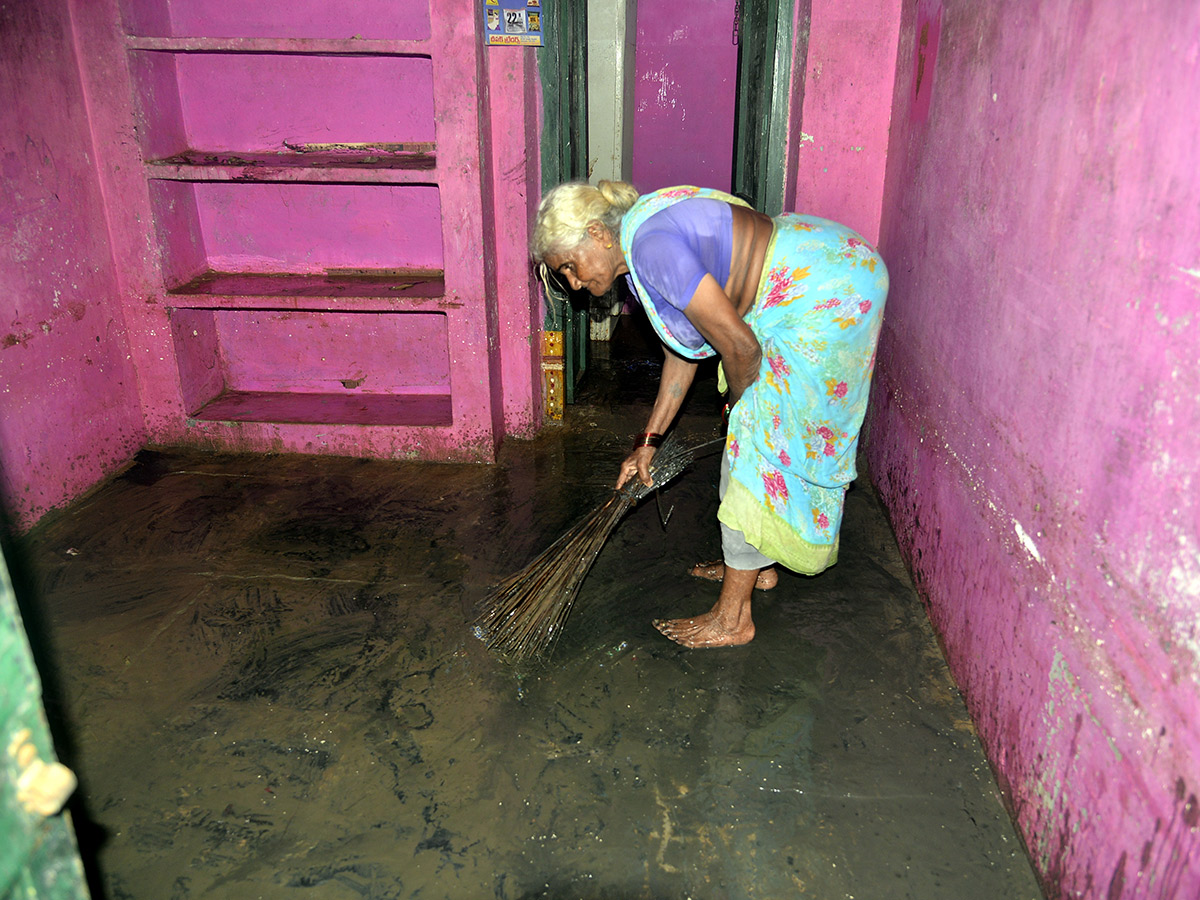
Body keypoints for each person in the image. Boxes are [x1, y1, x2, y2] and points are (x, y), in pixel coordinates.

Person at [531, 181, 888, 649]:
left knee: (758, 449)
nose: (575, 284)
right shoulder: (641, 247)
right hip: (824, 264)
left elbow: (741, 347)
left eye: (570, 268)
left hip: (827, 290)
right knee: (760, 438)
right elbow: (682, 353)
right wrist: (648, 442)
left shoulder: (651, 249)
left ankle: (732, 617)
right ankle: (754, 565)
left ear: (597, 233)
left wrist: (739, 407)